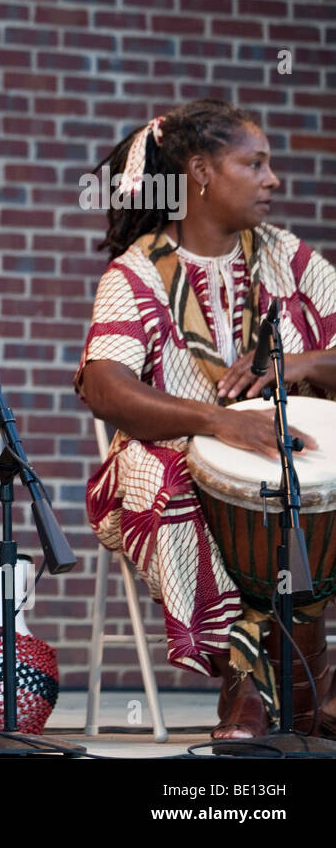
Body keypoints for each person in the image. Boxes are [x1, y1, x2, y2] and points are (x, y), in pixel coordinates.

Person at [76, 98, 336, 740]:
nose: (273, 179)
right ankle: (275, 683)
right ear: (200, 172)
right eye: (255, 163)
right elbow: (106, 387)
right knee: (170, 480)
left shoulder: (291, 261)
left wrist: (293, 362)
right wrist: (219, 425)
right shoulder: (136, 274)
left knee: (296, 487)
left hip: (287, 458)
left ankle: (280, 689)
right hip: (168, 462)